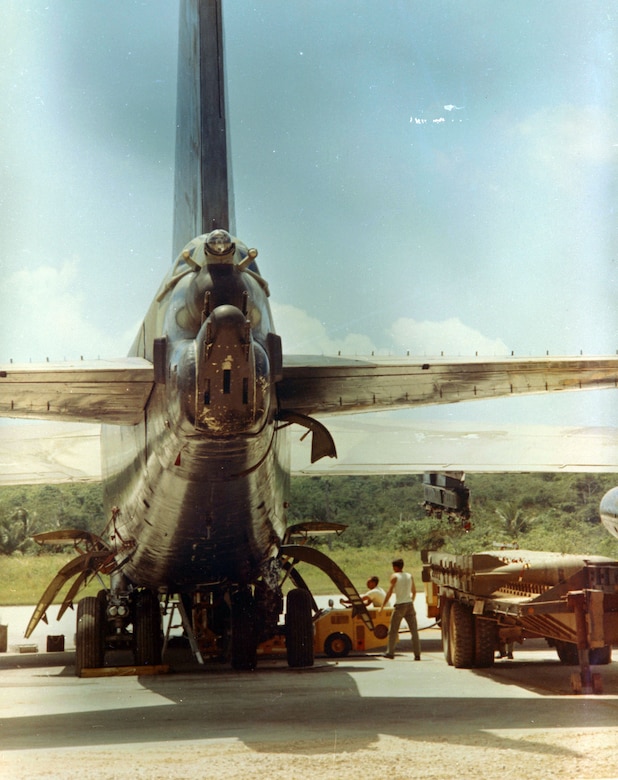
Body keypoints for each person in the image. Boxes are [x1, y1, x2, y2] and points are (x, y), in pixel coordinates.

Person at [379, 558, 421, 660]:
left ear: (395, 567)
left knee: (393, 630)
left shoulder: (394, 577)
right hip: (409, 604)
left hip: (399, 605)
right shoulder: (409, 576)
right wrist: (411, 601)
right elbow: (414, 592)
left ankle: (390, 652)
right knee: (414, 631)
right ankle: (417, 654)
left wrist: (382, 606)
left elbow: (389, 592)